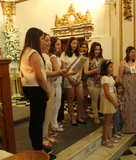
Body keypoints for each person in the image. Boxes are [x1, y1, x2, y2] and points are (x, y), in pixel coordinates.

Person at [19, 28, 52, 156]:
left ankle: (37, 148)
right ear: (35, 38)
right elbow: (39, 76)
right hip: (36, 88)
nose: (43, 41)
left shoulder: (26, 51)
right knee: (38, 121)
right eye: (42, 38)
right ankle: (39, 150)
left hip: (29, 88)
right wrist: (47, 91)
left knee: (35, 120)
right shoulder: (33, 53)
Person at [60, 37, 87, 126]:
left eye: (76, 43)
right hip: (68, 78)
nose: (75, 45)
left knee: (80, 98)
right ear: (69, 44)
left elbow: (80, 67)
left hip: (77, 77)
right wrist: (70, 79)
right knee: (70, 99)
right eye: (73, 43)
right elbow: (64, 68)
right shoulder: (64, 54)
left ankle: (79, 117)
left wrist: (79, 78)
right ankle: (72, 118)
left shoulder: (79, 54)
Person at [99, 60, 119, 148]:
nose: (112, 68)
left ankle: (110, 137)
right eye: (110, 67)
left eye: (112, 66)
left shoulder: (110, 77)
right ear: (106, 68)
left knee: (110, 120)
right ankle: (105, 139)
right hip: (108, 99)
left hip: (112, 97)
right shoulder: (104, 78)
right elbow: (107, 93)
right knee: (107, 121)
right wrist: (114, 102)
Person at [49, 37, 66, 132]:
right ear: (53, 45)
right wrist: (63, 71)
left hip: (58, 82)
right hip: (55, 83)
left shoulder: (56, 56)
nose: (59, 46)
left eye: (59, 44)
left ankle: (54, 123)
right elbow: (57, 72)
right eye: (57, 44)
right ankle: (54, 124)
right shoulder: (53, 57)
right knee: (56, 104)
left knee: (57, 104)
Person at [84, 42, 103, 124]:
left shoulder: (101, 58)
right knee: (94, 99)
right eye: (96, 49)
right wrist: (93, 71)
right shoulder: (88, 58)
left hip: (100, 81)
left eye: (99, 49)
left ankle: (102, 113)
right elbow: (85, 72)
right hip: (92, 81)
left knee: (101, 98)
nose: (97, 51)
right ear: (92, 50)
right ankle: (95, 116)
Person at [80, 42, 90, 119]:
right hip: (80, 79)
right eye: (82, 47)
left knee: (86, 96)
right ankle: (81, 111)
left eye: (85, 47)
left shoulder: (88, 58)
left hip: (87, 79)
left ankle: (85, 109)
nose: (84, 49)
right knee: (81, 97)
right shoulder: (79, 57)